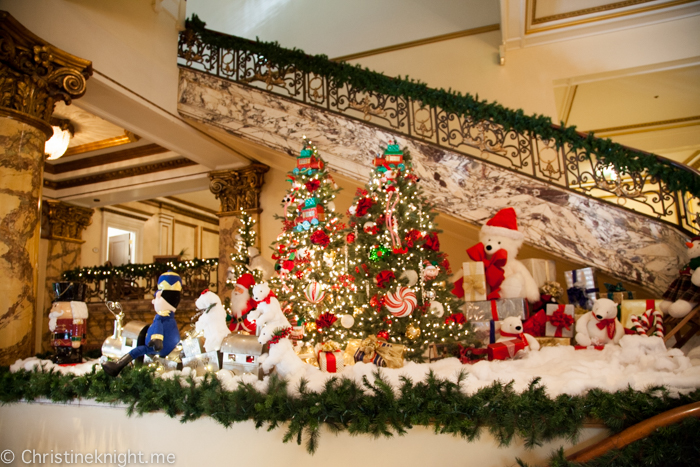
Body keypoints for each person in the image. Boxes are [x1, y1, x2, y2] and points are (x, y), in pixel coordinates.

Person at [102, 271, 182, 377]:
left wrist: (157, 339)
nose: (153, 302)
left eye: (155, 299)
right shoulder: (170, 318)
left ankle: (118, 365)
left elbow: (158, 328)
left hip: (158, 349)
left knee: (138, 350)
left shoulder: (160, 317)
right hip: (171, 348)